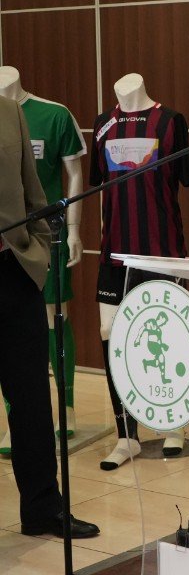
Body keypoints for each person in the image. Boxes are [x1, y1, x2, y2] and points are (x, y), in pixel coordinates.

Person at [0, 96, 99, 539]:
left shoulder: (9, 113)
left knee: (32, 400)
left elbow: (32, 191)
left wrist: (36, 250)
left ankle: (42, 509)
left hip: (13, 271)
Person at [92, 73, 189, 469]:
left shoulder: (170, 121)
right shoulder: (102, 124)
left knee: (168, 334)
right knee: (110, 333)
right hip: (113, 253)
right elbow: (99, 182)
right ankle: (126, 435)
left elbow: (184, 180)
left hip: (161, 251)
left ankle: (174, 425)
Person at [0, 66, 87, 452]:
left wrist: (73, 230)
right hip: (11, 247)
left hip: (38, 240)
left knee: (55, 316)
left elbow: (73, 174)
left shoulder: (53, 114)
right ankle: (13, 418)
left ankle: (65, 406)